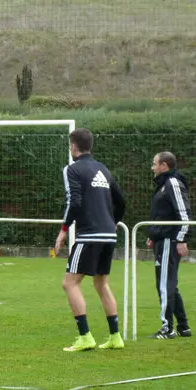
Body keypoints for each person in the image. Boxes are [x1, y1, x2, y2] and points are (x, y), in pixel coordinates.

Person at [54, 128, 126, 352]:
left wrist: (64, 230)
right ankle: (115, 337)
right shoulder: (103, 169)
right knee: (101, 283)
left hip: (90, 235)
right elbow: (121, 201)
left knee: (70, 283)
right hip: (108, 235)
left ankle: (85, 336)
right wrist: (114, 222)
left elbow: (73, 202)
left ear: (73, 147)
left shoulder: (72, 169)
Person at [146, 151, 193, 339]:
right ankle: (184, 327)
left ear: (164, 166)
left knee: (164, 285)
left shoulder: (172, 183)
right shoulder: (163, 185)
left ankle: (168, 328)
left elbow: (184, 214)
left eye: (154, 163)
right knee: (170, 284)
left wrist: (182, 239)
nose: (152, 167)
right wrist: (153, 236)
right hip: (162, 240)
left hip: (169, 242)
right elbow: (162, 215)